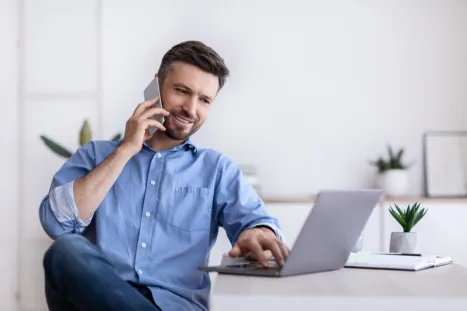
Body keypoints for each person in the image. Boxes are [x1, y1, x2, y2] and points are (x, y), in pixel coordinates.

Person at [39, 40, 289, 311]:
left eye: (204, 100)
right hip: (102, 299)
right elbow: (56, 224)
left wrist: (258, 232)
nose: (191, 110)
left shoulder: (216, 170)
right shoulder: (95, 157)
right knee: (64, 253)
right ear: (156, 86)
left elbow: (256, 221)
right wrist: (125, 151)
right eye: (182, 91)